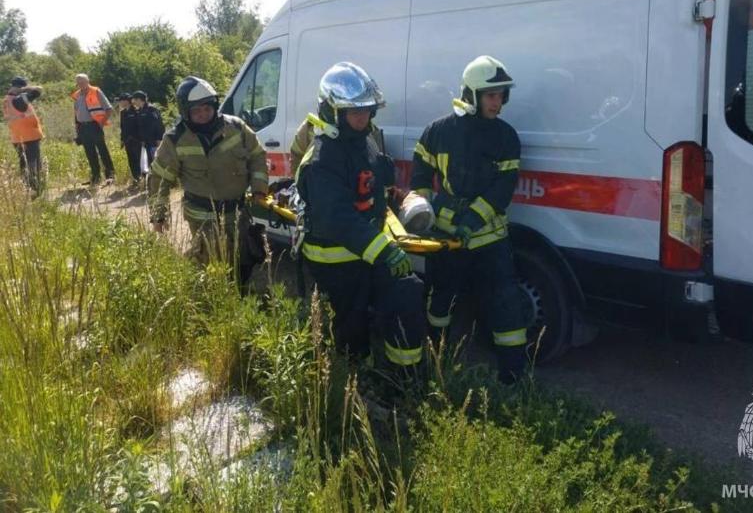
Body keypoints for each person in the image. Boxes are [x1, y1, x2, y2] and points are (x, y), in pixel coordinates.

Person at [296, 62, 424, 374]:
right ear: (332, 111)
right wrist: (385, 250)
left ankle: (403, 378)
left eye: (367, 110)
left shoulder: (363, 141)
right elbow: (336, 218)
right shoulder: (322, 157)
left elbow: (374, 190)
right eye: (354, 111)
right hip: (335, 260)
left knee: (408, 291)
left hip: (366, 250)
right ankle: (355, 382)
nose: (362, 117)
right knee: (352, 327)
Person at [410, 55, 528, 384]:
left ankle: (513, 377)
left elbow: (502, 190)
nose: (498, 103)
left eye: (502, 95)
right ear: (472, 94)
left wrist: (472, 222)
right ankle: (436, 363)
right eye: (491, 95)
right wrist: (421, 213)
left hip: (490, 239)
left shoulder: (506, 137)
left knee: (505, 304)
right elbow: (420, 179)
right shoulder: (437, 132)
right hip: (446, 239)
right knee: (439, 301)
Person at [148, 76, 268, 291]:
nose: (203, 114)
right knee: (212, 264)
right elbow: (159, 179)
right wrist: (158, 216)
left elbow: (258, 155)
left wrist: (259, 188)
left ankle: (239, 298)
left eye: (207, 108)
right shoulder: (175, 139)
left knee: (243, 260)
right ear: (186, 112)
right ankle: (214, 305)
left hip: (238, 213)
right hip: (202, 216)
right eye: (196, 111)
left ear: (214, 106)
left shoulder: (236, 127)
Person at [71, 73, 115, 185]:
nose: (80, 84)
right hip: (82, 127)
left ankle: (110, 176)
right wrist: (77, 128)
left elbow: (109, 109)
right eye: (78, 82)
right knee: (90, 153)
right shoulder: (77, 95)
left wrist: (100, 124)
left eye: (82, 82)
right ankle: (95, 177)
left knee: (102, 151)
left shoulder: (96, 91)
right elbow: (76, 113)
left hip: (94, 125)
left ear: (88, 81)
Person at [3, 76, 44, 194]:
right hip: (29, 136)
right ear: (20, 87)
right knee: (33, 163)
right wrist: (23, 89)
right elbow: (38, 90)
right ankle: (35, 189)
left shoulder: (7, 100)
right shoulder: (19, 99)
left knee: (23, 163)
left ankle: (26, 188)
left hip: (17, 137)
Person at [131, 90, 164, 172]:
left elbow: (159, 125)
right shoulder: (140, 111)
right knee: (150, 163)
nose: (133, 102)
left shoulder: (151, 109)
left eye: (134, 100)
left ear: (139, 99)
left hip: (154, 141)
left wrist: (159, 139)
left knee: (157, 162)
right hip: (146, 142)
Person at [118, 92, 144, 185]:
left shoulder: (136, 111)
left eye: (121, 101)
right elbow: (122, 127)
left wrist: (141, 139)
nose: (120, 103)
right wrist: (122, 140)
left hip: (136, 140)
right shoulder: (122, 113)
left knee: (139, 160)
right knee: (131, 160)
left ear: (126, 101)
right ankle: (136, 179)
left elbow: (140, 126)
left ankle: (142, 179)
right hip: (127, 141)